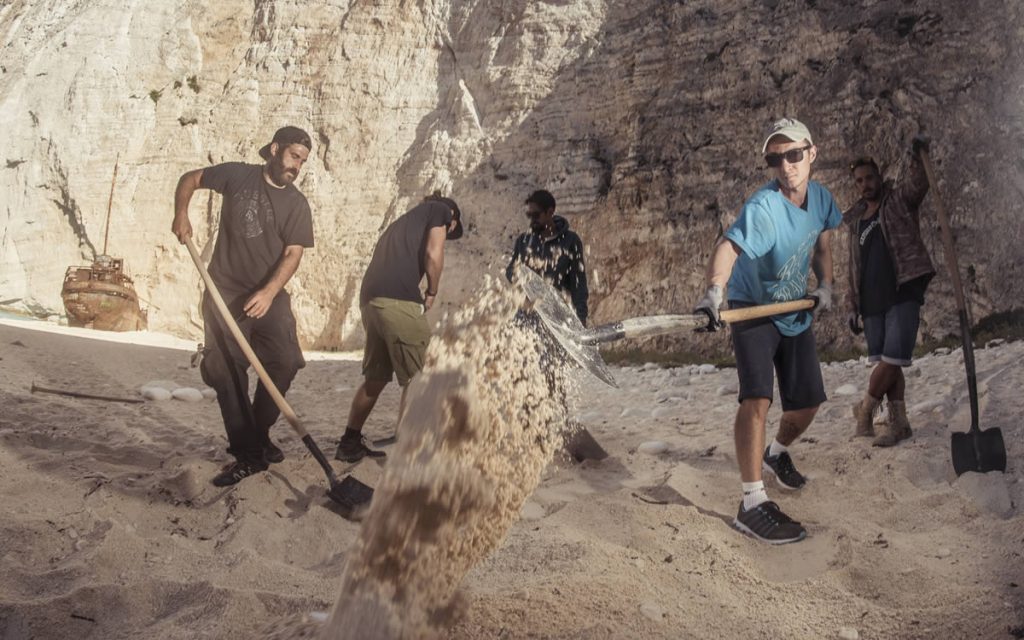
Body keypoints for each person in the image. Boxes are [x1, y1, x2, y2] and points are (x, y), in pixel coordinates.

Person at [694, 118, 841, 544]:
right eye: (775, 159)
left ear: (811, 153)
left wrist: (826, 285)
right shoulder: (764, 207)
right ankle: (752, 501)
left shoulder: (822, 199)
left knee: (807, 404)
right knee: (757, 398)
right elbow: (728, 247)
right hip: (753, 308)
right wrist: (714, 293)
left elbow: (822, 245)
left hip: (793, 308)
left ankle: (776, 453)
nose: (786, 165)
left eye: (793, 155)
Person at [172, 125, 315, 487]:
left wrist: (269, 292)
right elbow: (191, 179)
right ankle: (249, 454)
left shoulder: (297, 204)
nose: (297, 166)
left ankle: (258, 432)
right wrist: (181, 213)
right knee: (225, 369)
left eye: (303, 161)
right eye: (293, 156)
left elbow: (293, 254)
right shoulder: (237, 175)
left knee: (285, 361)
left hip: (269, 295)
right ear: (274, 149)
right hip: (223, 293)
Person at [335, 194, 464, 462]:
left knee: (376, 379)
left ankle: (349, 443)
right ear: (451, 218)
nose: (447, 234)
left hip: (370, 301)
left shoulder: (402, 224)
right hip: (398, 300)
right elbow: (433, 254)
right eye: (450, 229)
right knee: (424, 375)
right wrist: (432, 291)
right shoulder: (440, 210)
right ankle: (409, 448)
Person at [845, 136, 935, 447]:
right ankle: (900, 425)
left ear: (879, 177)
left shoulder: (898, 201)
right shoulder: (855, 221)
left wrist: (918, 155)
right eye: (859, 181)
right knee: (889, 364)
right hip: (871, 301)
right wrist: (852, 304)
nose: (865, 185)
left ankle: (865, 409)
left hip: (902, 289)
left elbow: (918, 184)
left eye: (869, 178)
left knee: (893, 358)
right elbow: (853, 267)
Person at [505, 189, 588, 325]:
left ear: (550, 212)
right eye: (529, 215)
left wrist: (581, 319)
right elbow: (510, 271)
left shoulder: (571, 241)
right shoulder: (524, 241)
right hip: (526, 316)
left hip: (557, 318)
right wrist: (520, 276)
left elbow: (578, 284)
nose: (532, 220)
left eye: (536, 215)